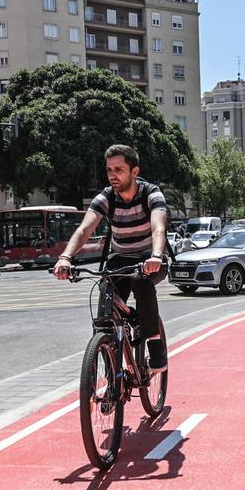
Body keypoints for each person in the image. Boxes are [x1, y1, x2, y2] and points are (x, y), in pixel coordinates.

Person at [54, 144, 169, 373]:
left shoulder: (150, 193)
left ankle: (156, 349)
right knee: (106, 304)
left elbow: (158, 228)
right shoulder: (107, 197)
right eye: (109, 170)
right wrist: (65, 257)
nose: (112, 175)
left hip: (149, 257)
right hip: (120, 258)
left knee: (143, 283)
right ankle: (108, 362)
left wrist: (156, 255)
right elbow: (84, 229)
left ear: (134, 171)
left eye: (119, 169)